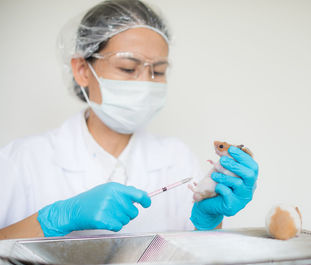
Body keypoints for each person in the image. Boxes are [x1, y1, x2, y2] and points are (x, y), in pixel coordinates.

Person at [0, 0, 259, 239]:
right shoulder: (21, 161)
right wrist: (52, 220)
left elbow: (197, 256)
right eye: (127, 68)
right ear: (82, 70)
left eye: (157, 71)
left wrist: (208, 221)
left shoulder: (177, 158)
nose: (145, 83)